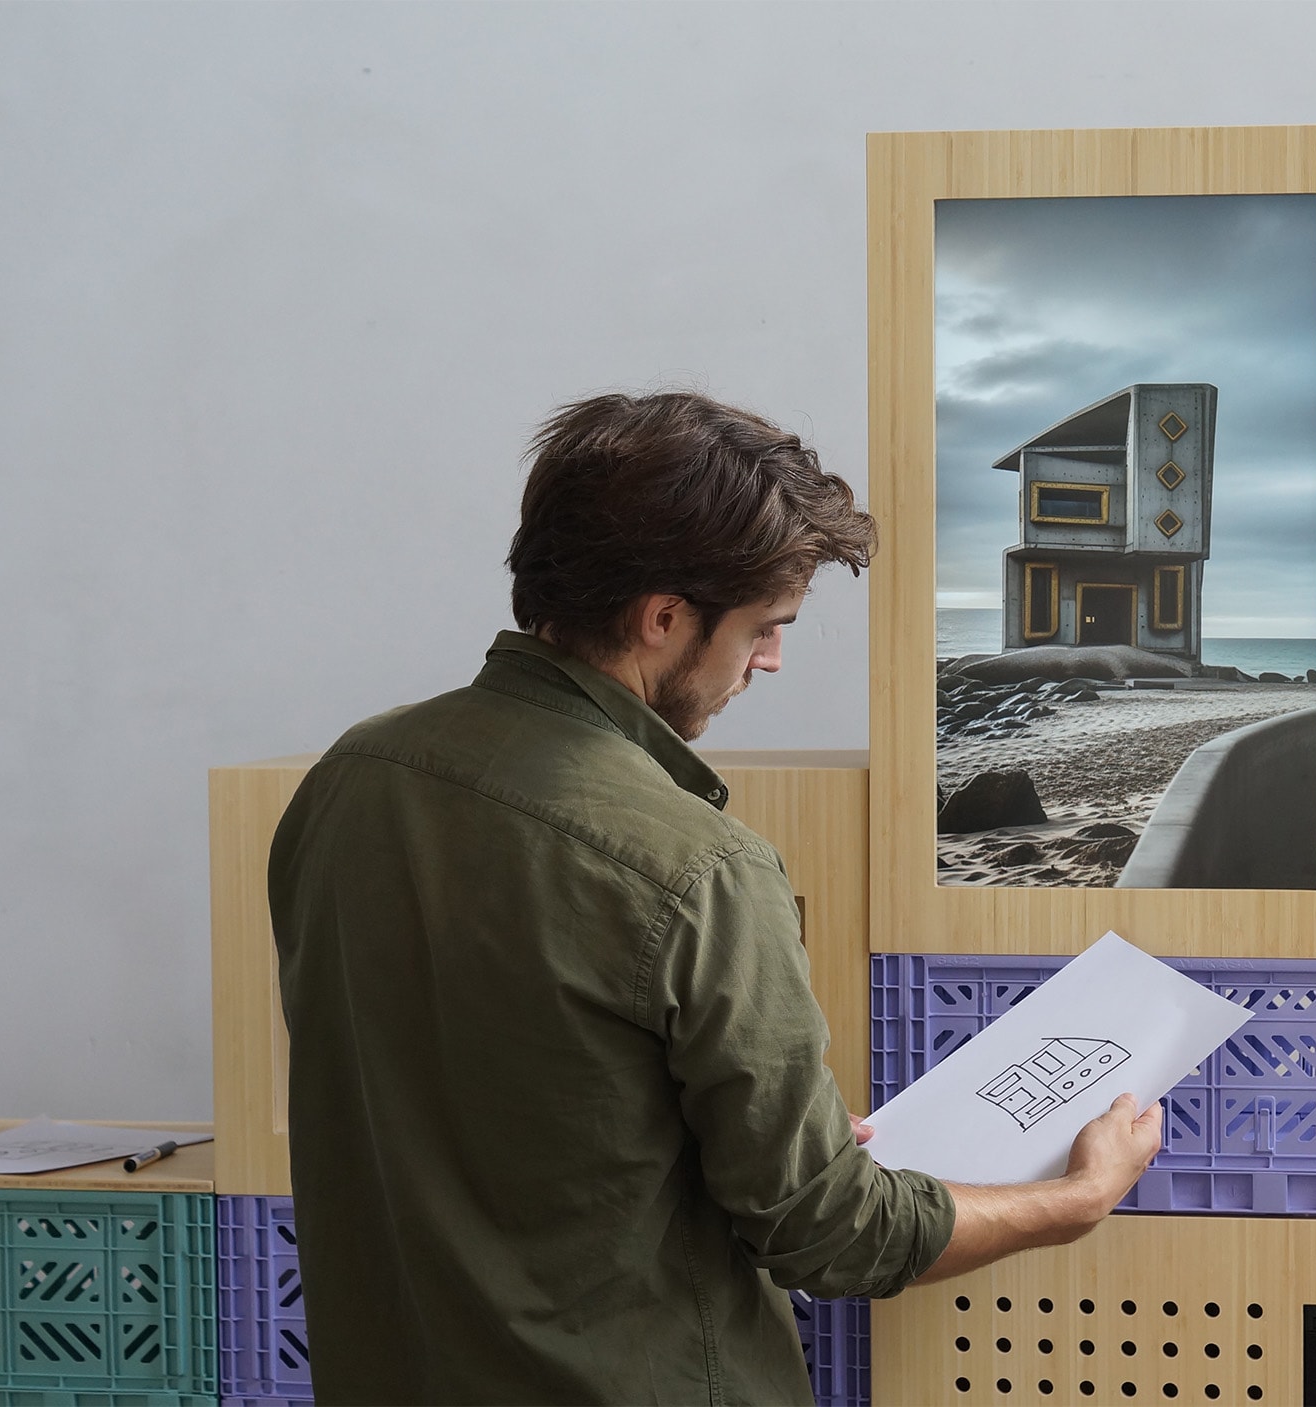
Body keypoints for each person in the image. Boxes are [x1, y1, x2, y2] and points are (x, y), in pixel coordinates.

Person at [268, 390, 1164, 1406]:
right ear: (663, 618)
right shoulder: (697, 868)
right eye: (764, 628)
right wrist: (1075, 1199)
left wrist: (762, 1134)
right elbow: (830, 1237)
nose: (772, 660)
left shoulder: (353, 777)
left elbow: (505, 1101)